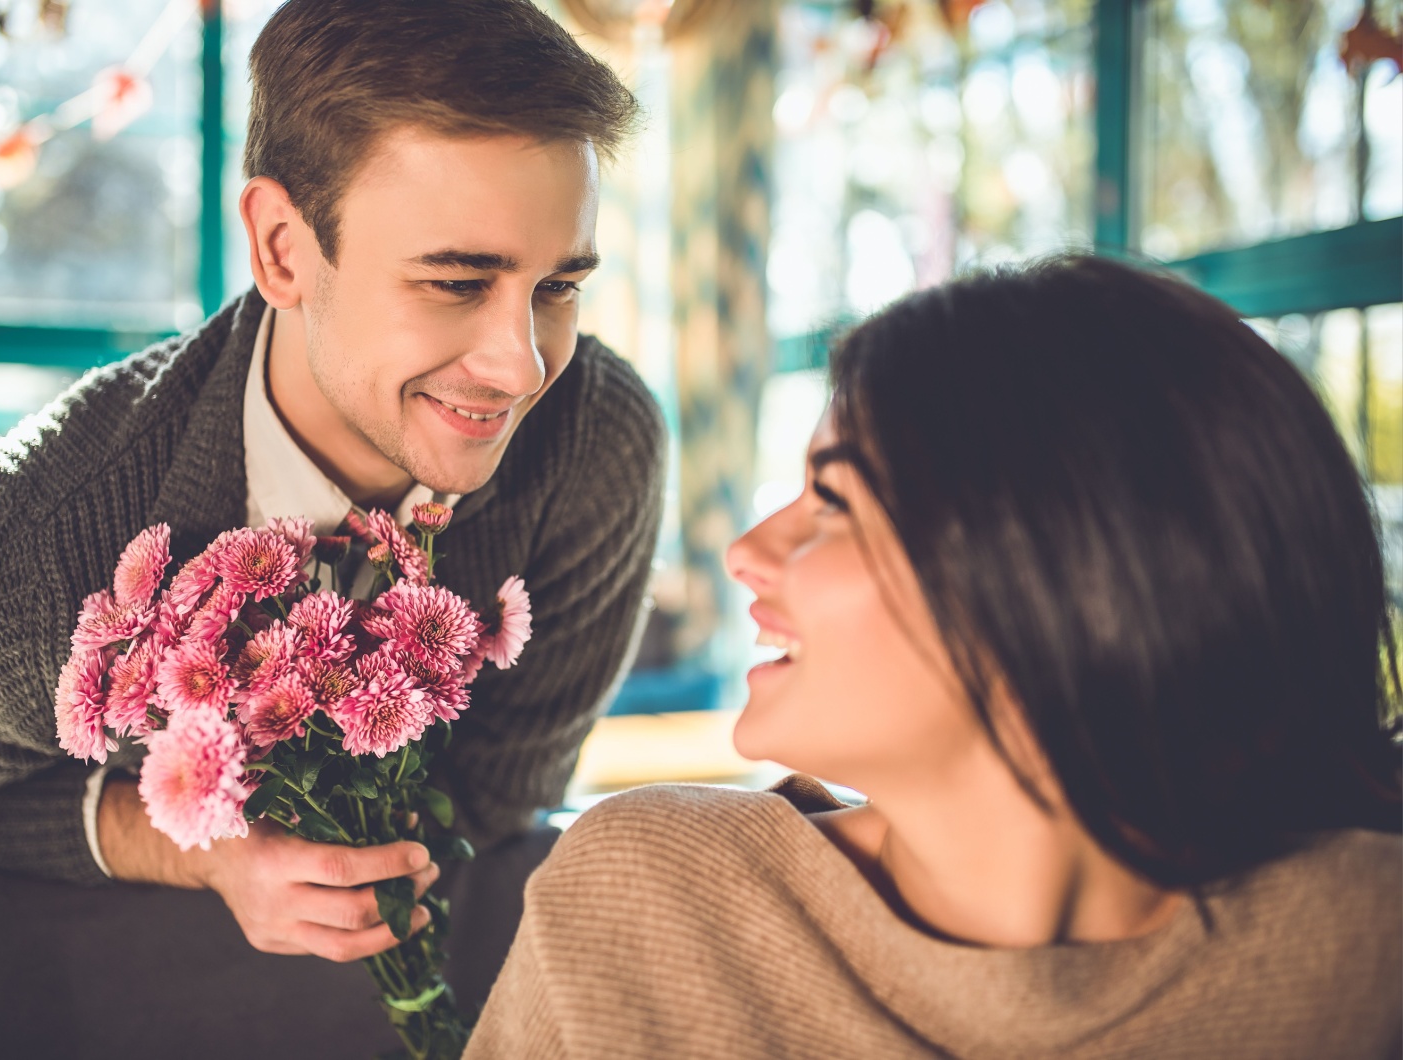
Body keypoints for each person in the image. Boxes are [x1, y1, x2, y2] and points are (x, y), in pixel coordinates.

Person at [0, 2, 664, 1057]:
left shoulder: (596, 444)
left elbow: (502, 803)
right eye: (456, 282)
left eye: (557, 286)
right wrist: (197, 845)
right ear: (280, 247)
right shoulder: (25, 556)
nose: (522, 365)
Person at [466, 255, 1402, 1059]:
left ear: (1059, 562)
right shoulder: (646, 896)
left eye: (833, 501)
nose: (748, 552)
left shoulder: (1363, 949)